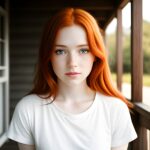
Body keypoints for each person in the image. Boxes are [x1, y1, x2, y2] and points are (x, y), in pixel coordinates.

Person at [7, 8, 137, 150]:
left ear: (96, 55)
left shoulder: (115, 109)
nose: (72, 63)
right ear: (48, 56)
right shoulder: (28, 109)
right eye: (60, 51)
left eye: (83, 50)